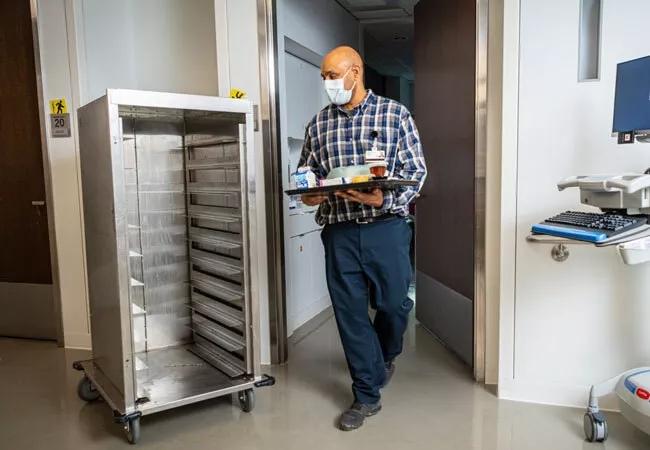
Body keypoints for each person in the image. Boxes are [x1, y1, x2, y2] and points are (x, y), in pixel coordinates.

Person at [297, 45, 427, 431]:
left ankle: (385, 355)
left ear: (355, 72)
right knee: (350, 315)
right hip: (338, 231)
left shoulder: (395, 115)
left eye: (333, 75)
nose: (328, 83)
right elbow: (307, 175)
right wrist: (309, 192)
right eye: (323, 77)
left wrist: (383, 196)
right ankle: (366, 394)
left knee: (393, 304)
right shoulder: (318, 125)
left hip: (386, 228)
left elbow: (416, 173)